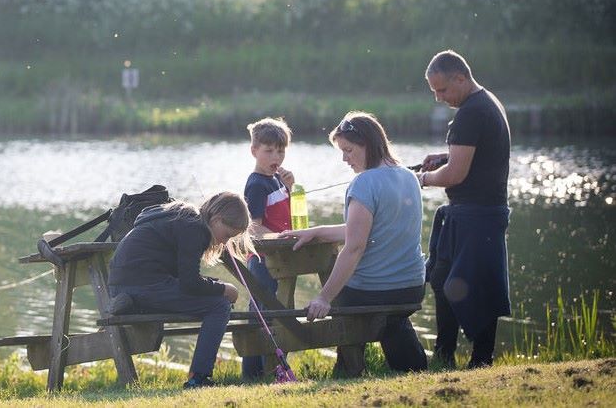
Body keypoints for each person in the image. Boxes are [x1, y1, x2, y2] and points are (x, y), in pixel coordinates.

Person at [281, 111, 427, 377]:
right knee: (390, 319)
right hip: (412, 288)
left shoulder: (364, 182)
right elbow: (369, 230)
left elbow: (355, 246)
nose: (344, 159)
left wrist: (324, 297)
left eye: (348, 150)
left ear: (367, 144)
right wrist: (317, 232)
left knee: (339, 291)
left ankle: (349, 368)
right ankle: (409, 362)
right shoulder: (409, 177)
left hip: (373, 292)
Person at [418, 49, 511, 369]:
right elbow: (475, 156)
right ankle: (446, 354)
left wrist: (423, 178)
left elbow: (456, 175)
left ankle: (478, 359)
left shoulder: (471, 113)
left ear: (460, 77)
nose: (438, 98)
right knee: (444, 279)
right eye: (434, 92)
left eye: (442, 90)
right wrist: (445, 157)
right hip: (481, 213)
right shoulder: (486, 102)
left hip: (476, 215)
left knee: (476, 287)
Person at [107, 192, 254, 389]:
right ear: (217, 219)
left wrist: (216, 285)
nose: (224, 243)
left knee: (217, 298)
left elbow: (185, 277)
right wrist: (223, 289)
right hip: (145, 284)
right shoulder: (195, 228)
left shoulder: (183, 218)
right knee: (219, 305)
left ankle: (135, 304)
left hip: (125, 284)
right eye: (227, 235)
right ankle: (198, 378)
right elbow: (189, 284)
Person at [241, 117, 295, 380]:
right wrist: (278, 238)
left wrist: (290, 187)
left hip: (279, 257)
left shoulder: (277, 180)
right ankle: (254, 372)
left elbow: (286, 214)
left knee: (275, 309)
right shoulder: (256, 184)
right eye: (269, 151)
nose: (277, 156)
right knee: (262, 314)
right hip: (262, 260)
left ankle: (271, 368)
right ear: (254, 151)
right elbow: (254, 228)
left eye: (281, 151)